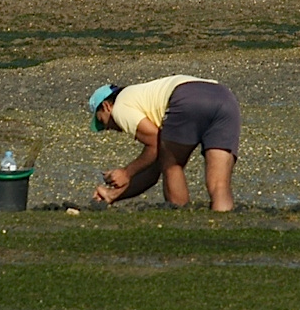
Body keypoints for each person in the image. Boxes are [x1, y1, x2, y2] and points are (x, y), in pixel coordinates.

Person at [88, 75, 241, 212]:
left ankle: (180, 219)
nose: (108, 129)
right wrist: (111, 194)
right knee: (219, 184)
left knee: (171, 165)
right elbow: (152, 172)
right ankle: (221, 226)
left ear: (107, 106)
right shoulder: (141, 97)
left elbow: (154, 143)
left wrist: (126, 172)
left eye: (102, 122)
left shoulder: (120, 107)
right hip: (225, 98)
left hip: (188, 97)